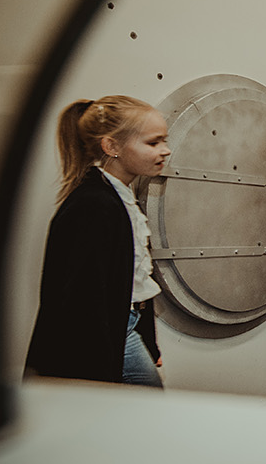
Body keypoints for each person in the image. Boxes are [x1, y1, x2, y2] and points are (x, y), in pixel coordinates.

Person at [25, 96, 170, 387]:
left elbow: (133, 284)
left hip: (124, 329)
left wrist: (148, 343)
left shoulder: (118, 198)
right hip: (98, 343)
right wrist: (101, 373)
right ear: (111, 147)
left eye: (163, 141)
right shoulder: (93, 205)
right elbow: (83, 300)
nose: (165, 150)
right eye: (153, 143)